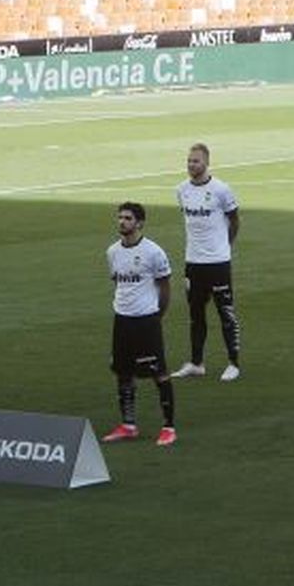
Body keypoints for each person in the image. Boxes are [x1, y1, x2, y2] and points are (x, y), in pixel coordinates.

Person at [102, 202, 178, 447]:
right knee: (123, 373)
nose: (122, 222)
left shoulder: (154, 252)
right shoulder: (112, 251)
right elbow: (119, 283)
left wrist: (157, 314)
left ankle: (168, 427)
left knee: (159, 373)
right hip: (122, 320)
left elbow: (165, 286)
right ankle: (128, 425)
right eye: (120, 217)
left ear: (139, 223)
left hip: (146, 321)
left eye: (127, 218)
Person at [170, 142, 243, 382]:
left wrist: (225, 247)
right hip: (193, 262)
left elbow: (234, 221)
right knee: (196, 313)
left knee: (226, 313)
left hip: (218, 263)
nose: (192, 165)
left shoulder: (221, 189)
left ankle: (233, 363)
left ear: (207, 163)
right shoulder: (181, 190)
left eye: (196, 161)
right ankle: (196, 363)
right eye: (189, 161)